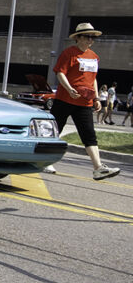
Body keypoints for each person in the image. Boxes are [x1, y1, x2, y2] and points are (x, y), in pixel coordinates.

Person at [44, 22, 120, 180]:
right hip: (65, 100)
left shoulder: (94, 56)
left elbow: (93, 79)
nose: (90, 40)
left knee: (89, 135)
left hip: (84, 103)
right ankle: (45, 162)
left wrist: (97, 98)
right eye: (87, 37)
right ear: (78, 38)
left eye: (92, 37)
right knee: (54, 131)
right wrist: (70, 89)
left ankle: (98, 168)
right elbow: (60, 73)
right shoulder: (69, 53)